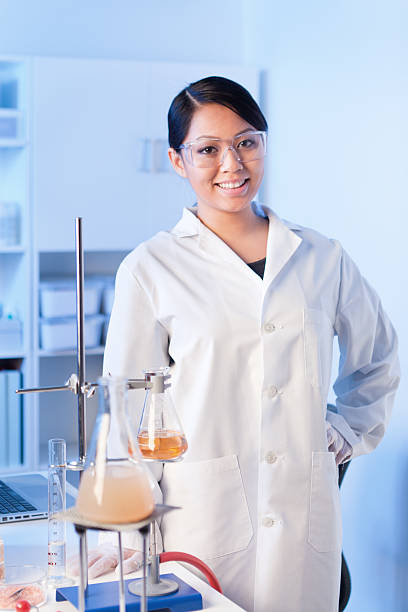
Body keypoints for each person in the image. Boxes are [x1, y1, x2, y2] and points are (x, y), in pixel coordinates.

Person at [96, 76, 399, 611]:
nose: (232, 164)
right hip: (200, 522)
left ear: (264, 145)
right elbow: (127, 410)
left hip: (304, 524)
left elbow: (377, 356)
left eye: (246, 142)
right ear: (177, 160)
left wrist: (348, 427)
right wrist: (122, 530)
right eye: (208, 149)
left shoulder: (321, 257)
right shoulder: (151, 268)